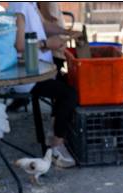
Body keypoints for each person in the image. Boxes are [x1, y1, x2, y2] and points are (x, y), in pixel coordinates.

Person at [10, 2, 78, 168]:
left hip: (42, 69)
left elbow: (45, 25)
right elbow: (19, 46)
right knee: (69, 95)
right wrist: (46, 44)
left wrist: (66, 32)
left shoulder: (30, 4)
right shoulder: (19, 7)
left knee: (69, 83)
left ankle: (54, 132)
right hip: (28, 76)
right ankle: (56, 148)